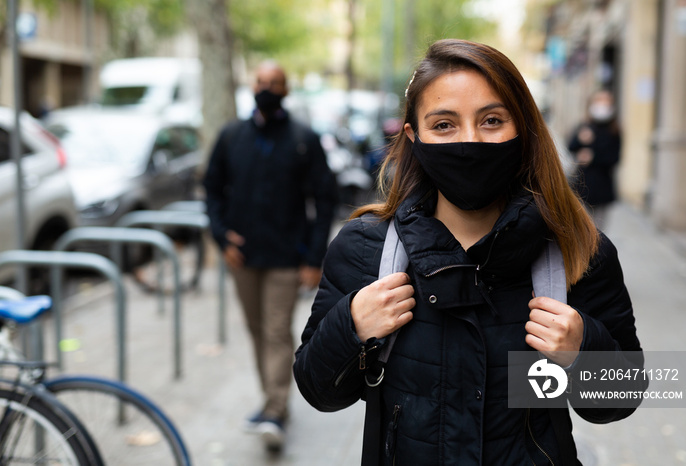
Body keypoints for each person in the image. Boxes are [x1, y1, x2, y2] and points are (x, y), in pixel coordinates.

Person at [294, 40, 644, 465]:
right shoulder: (365, 250)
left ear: (523, 129)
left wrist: (582, 351)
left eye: (492, 120)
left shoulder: (576, 251)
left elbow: (621, 398)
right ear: (414, 135)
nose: (470, 141)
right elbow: (319, 391)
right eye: (444, 125)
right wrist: (351, 326)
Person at [203, 60, 337, 451]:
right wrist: (221, 236)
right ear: (251, 85)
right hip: (242, 257)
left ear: (286, 89)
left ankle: (275, 411)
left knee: (276, 331)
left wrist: (314, 258)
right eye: (261, 81)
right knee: (256, 330)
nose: (266, 88)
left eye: (274, 82)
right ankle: (271, 403)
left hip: (285, 257)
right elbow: (211, 189)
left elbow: (324, 199)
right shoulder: (231, 137)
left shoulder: (303, 139)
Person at [567, 89, 622, 230]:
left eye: (606, 101)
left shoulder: (614, 131)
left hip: (602, 188)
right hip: (581, 186)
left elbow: (614, 158)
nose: (602, 104)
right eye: (599, 101)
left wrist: (593, 157)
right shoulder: (584, 126)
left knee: (598, 233)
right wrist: (580, 139)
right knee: (580, 230)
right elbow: (571, 146)